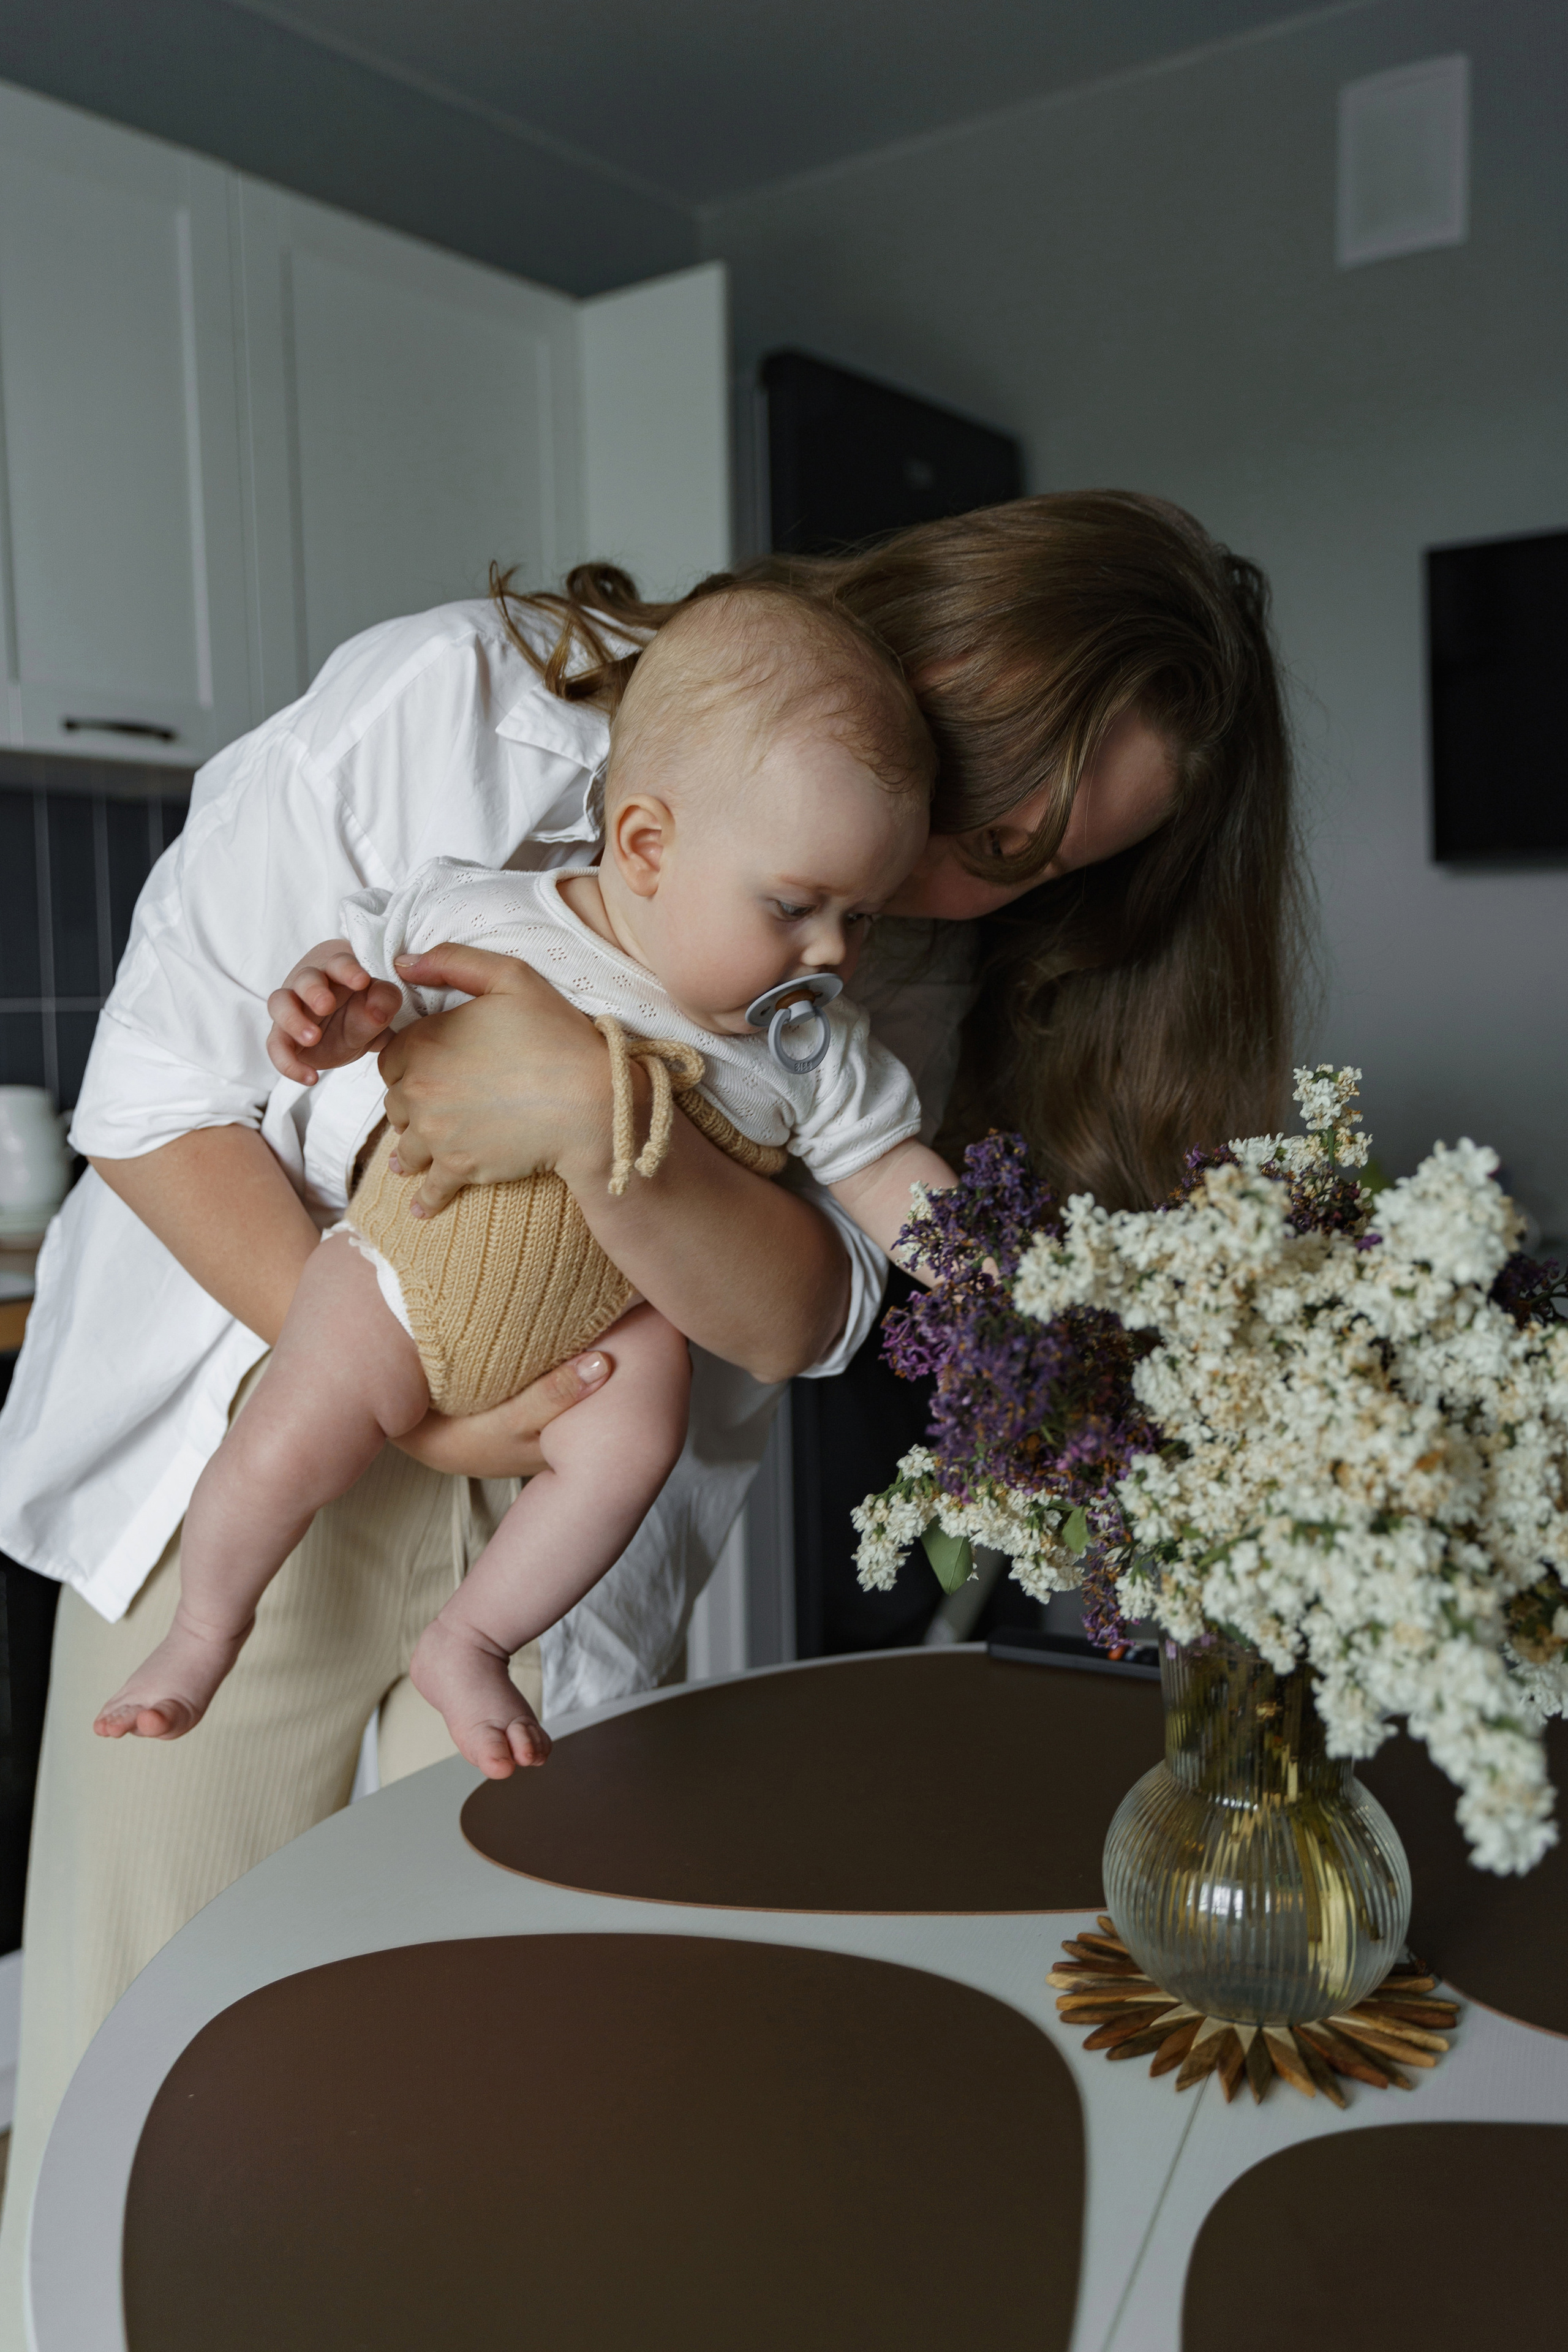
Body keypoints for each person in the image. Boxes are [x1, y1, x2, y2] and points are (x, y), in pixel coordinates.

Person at [0, 489, 1300, 2330]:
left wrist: (588, 1120)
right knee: (129, 2078)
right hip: (269, 1449)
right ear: (920, 653)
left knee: (470, 2087)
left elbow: (807, 1312)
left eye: (1031, 868)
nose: (950, 886)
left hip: (571, 1537)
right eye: (988, 806)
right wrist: (410, 1387)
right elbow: (154, 1089)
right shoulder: (459, 710)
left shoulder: (864, 955)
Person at [93, 586, 962, 1776]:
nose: (828, 954)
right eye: (793, 908)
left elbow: (880, 1176)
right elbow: (368, 980)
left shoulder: (812, 1049)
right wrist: (336, 1010)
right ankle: (203, 1630)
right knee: (290, 1431)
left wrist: (993, 1269)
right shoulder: (491, 911)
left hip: (593, 1340)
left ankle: (474, 1638)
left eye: (855, 918)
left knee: (632, 1431)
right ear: (647, 845)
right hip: (407, 1267)